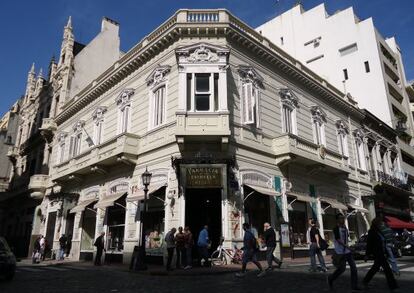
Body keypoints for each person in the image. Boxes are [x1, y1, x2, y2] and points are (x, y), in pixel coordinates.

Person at [363, 218, 398, 291]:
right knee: (387, 269)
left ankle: (365, 280)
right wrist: (367, 255)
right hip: (378, 253)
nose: (380, 224)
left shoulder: (379, 231)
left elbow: (383, 240)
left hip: (381, 252)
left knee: (375, 268)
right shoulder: (372, 232)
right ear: (376, 224)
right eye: (379, 223)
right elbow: (369, 244)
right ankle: (393, 286)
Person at [327, 214, 360, 291]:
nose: (343, 219)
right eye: (340, 218)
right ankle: (330, 278)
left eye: (343, 218)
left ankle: (354, 286)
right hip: (340, 252)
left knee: (354, 268)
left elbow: (346, 238)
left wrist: (349, 247)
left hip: (347, 252)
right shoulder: (335, 228)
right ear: (337, 220)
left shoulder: (345, 228)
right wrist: (347, 247)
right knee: (342, 269)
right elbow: (338, 240)